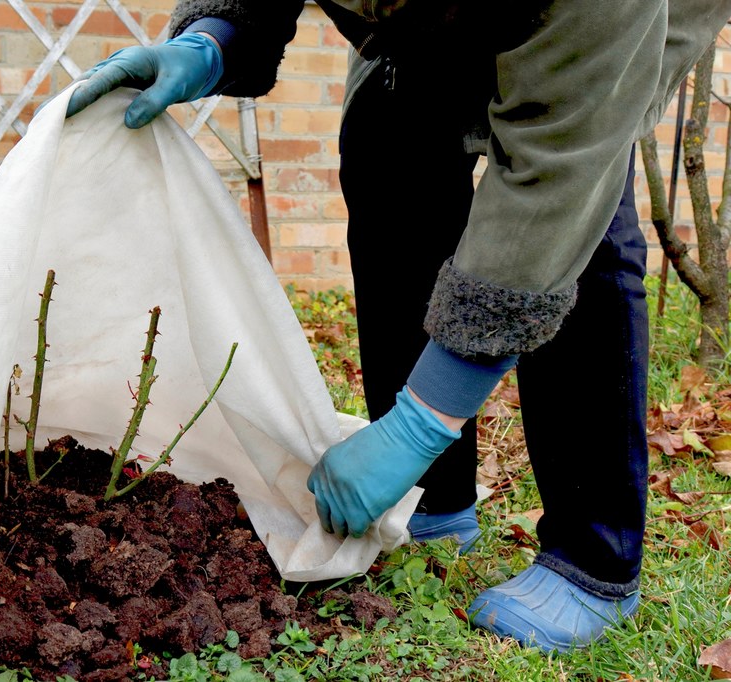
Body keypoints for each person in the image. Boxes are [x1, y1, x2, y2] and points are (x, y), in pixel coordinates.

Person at [59, 0, 731, 653]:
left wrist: (422, 421)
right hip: (440, 16)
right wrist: (215, 36)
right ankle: (432, 500)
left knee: (582, 212)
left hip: (607, 21)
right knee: (388, 134)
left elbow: (557, 174)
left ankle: (595, 560)